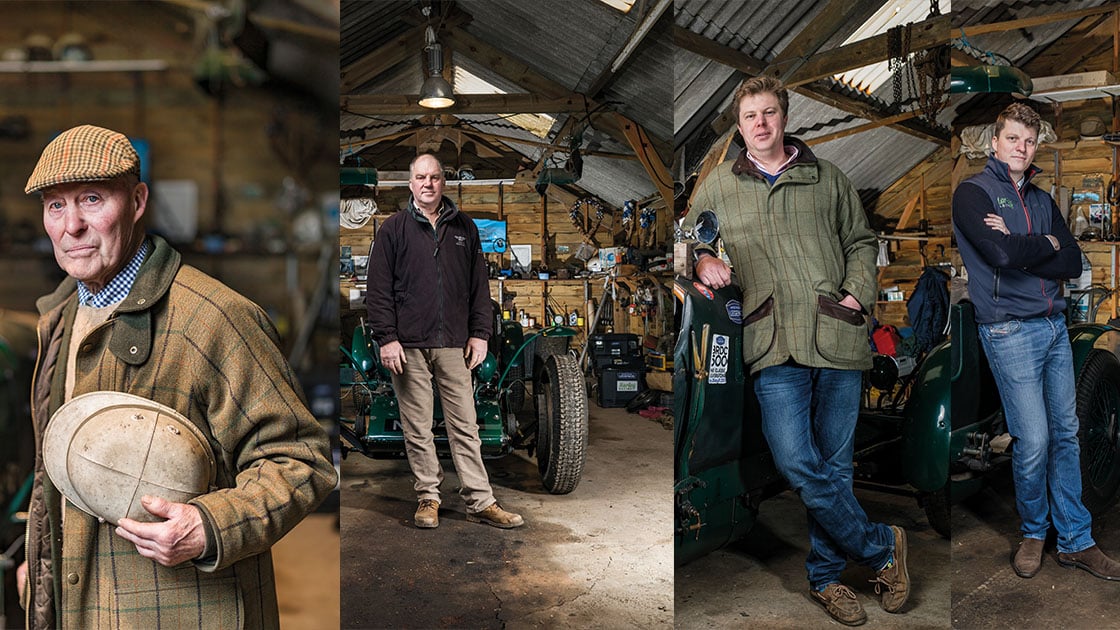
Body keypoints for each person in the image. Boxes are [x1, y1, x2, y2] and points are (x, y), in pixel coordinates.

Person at [17, 124, 337, 628]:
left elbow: (303, 460)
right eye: (55, 206)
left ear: (138, 200)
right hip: (81, 605)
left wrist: (211, 527)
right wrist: (40, 564)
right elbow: (52, 471)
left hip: (181, 612)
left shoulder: (214, 319)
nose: (71, 225)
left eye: (92, 199)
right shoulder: (57, 320)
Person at [686, 76, 909, 625]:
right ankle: (883, 545)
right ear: (739, 128)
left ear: (785, 117)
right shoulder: (716, 186)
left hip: (834, 333)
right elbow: (694, 239)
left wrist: (857, 294)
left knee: (833, 466)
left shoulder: (827, 178)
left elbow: (861, 240)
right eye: (749, 117)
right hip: (770, 341)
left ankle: (827, 579)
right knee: (795, 461)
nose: (760, 124)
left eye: (768, 113)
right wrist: (699, 260)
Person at [953, 102, 1120, 581]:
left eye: (1028, 141)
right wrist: (1043, 245)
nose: (1021, 149)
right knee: (1035, 440)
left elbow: (1072, 262)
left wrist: (1042, 247)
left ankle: (1075, 541)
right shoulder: (973, 193)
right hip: (1008, 330)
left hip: (1053, 327)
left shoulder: (1044, 201)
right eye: (1012, 139)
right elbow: (1001, 254)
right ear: (995, 142)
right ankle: (1032, 531)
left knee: (1066, 434)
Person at [366, 153, 523, 530]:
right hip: (408, 345)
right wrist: (387, 338)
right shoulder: (393, 229)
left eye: (434, 177)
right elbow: (378, 290)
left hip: (455, 343)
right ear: (410, 184)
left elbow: (478, 288)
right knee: (417, 426)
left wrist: (480, 333)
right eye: (420, 177)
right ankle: (428, 498)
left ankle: (480, 501)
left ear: (443, 183)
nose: (428, 184)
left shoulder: (464, 228)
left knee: (465, 425)